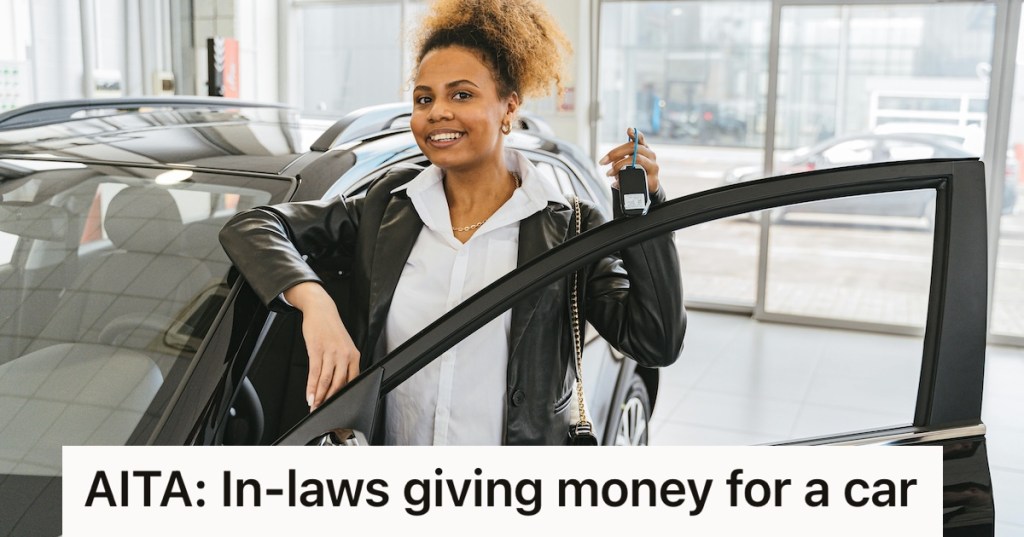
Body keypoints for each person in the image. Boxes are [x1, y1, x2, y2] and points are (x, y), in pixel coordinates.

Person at [218, 0, 685, 445]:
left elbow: (655, 341)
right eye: (424, 98)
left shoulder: (570, 229)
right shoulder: (387, 206)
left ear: (509, 107)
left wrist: (646, 213)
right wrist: (315, 303)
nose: (437, 111)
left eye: (462, 94)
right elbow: (254, 227)